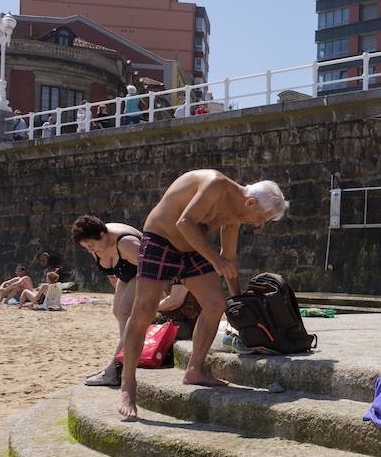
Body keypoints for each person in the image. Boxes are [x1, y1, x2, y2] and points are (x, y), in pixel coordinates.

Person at [117, 169, 289, 417]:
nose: (259, 224)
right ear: (250, 202)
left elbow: (229, 259)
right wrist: (215, 260)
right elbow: (184, 223)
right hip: (161, 239)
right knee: (144, 311)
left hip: (193, 247)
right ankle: (128, 384)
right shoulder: (215, 185)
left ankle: (194, 370)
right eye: (261, 218)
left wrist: (239, 302)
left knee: (215, 303)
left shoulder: (235, 214)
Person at [71, 215, 143, 387]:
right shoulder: (97, 245)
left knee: (125, 312)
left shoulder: (125, 243)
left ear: (103, 235)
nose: (90, 251)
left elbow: (152, 269)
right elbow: (113, 275)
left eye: (91, 246)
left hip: (144, 273)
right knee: (118, 311)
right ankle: (122, 361)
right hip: (127, 274)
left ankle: (114, 369)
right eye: (86, 248)